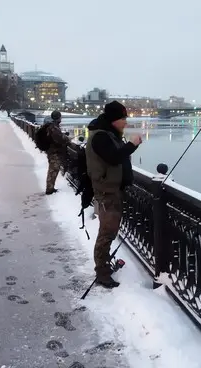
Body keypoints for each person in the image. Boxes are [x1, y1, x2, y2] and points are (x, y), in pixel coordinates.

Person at [85, 101, 142, 288]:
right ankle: (102, 272)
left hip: (113, 190)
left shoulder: (109, 134)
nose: (125, 122)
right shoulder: (101, 137)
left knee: (109, 231)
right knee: (107, 233)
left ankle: (103, 265)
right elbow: (114, 157)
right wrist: (132, 145)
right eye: (123, 118)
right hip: (107, 192)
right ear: (113, 120)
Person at [44, 110, 69, 195]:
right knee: (53, 170)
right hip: (54, 153)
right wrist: (66, 138)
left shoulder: (52, 127)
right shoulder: (54, 128)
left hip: (52, 152)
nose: (61, 118)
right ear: (58, 118)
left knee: (53, 170)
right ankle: (49, 189)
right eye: (60, 117)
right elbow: (59, 139)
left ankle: (50, 187)